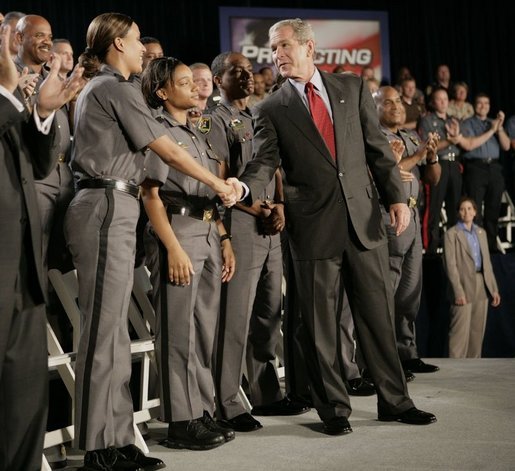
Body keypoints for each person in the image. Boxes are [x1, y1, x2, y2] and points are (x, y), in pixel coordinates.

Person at [237, 18, 436, 435]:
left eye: (284, 45)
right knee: (320, 326)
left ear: (310, 47)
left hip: (363, 221)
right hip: (312, 229)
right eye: (273, 49)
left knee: (377, 317)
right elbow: (263, 163)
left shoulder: (350, 88)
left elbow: (377, 150)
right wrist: (243, 188)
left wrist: (396, 200)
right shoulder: (270, 108)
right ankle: (333, 410)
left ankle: (395, 402)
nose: (277, 55)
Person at [64, 13, 238, 471]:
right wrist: (218, 186)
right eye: (139, 41)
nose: (145, 49)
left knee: (115, 331)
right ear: (117, 45)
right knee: (103, 331)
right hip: (104, 204)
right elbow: (169, 150)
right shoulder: (113, 88)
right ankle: (97, 448)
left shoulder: (111, 88)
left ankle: (118, 437)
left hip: (115, 205)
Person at [204, 51, 309, 433]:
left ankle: (265, 393)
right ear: (219, 80)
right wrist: (260, 210)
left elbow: (274, 165)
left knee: (269, 312)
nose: (248, 77)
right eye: (237, 72)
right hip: (241, 222)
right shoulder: (214, 120)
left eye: (249, 71)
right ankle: (227, 402)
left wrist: (278, 204)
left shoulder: (260, 115)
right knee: (235, 317)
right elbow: (221, 180)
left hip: (269, 223)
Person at [140, 56, 236, 451]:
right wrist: (172, 247)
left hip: (207, 230)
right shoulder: (156, 130)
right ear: (163, 92)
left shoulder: (196, 132)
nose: (194, 87)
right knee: (177, 330)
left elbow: (210, 193)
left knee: (203, 331)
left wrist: (224, 238)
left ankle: (200, 409)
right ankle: (180, 420)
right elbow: (150, 194)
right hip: (177, 232)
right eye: (183, 83)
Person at [0, 24, 83, 471]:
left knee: (23, 396)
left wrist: (43, 113)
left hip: (22, 265)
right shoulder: (6, 95)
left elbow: (35, 161)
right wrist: (10, 94)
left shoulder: (13, 102)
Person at [375, 86, 441, 378]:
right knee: (387, 290)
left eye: (399, 102)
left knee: (410, 292)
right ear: (375, 108)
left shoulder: (410, 137)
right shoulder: (375, 139)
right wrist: (418, 155)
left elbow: (432, 179)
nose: (396, 107)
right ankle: (382, 359)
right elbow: (389, 172)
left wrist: (432, 157)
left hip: (413, 216)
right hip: (390, 216)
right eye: (388, 102)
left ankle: (407, 352)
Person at [444, 197, 501, 357]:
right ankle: (455, 370)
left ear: (475, 212)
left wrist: (493, 289)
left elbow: (487, 263)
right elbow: (450, 266)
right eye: (462, 209)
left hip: (480, 284)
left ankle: (473, 370)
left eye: (469, 208)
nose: (466, 212)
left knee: (477, 333)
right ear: (458, 213)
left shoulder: (480, 233)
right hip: (462, 284)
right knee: (459, 334)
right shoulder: (452, 234)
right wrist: (458, 292)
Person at [458, 93, 510, 251]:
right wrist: (491, 130)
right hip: (476, 167)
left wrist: (499, 128)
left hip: (494, 167)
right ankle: (477, 248)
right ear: (474, 105)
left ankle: (492, 248)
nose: (483, 106)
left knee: (493, 210)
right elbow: (470, 145)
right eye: (479, 103)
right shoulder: (467, 123)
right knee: (475, 211)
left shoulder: (493, 123)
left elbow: (507, 146)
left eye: (486, 103)